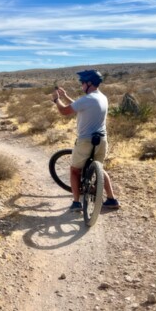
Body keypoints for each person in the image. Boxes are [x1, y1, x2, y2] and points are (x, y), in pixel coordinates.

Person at [52, 69, 120, 211]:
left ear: (89, 83)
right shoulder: (102, 97)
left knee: (74, 171)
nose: (81, 85)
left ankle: (76, 203)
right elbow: (78, 106)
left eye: (82, 83)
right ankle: (112, 199)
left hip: (86, 141)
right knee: (99, 169)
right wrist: (65, 96)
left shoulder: (87, 99)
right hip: (101, 140)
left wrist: (56, 100)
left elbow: (65, 111)